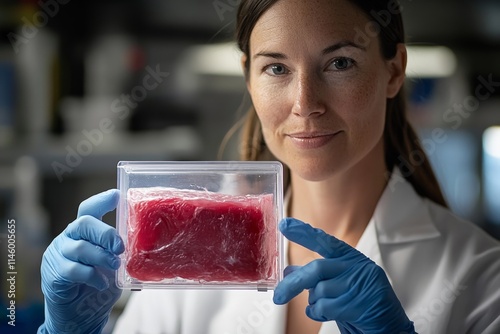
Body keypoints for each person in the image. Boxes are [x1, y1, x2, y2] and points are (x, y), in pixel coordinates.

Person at [38, 0, 500, 333]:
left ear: (394, 70)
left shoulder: (481, 277)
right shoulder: (185, 255)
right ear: (248, 77)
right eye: (276, 69)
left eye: (340, 62)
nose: (305, 105)